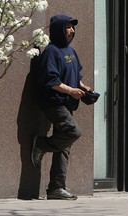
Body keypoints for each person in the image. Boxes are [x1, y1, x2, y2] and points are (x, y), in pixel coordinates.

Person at [31, 14, 91, 200]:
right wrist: (71, 91)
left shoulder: (70, 52)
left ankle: (56, 188)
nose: (72, 31)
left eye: (73, 27)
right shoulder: (51, 51)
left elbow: (75, 75)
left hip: (67, 102)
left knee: (64, 145)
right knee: (74, 133)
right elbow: (51, 81)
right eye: (68, 27)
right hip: (54, 102)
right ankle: (41, 144)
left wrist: (83, 87)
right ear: (58, 29)